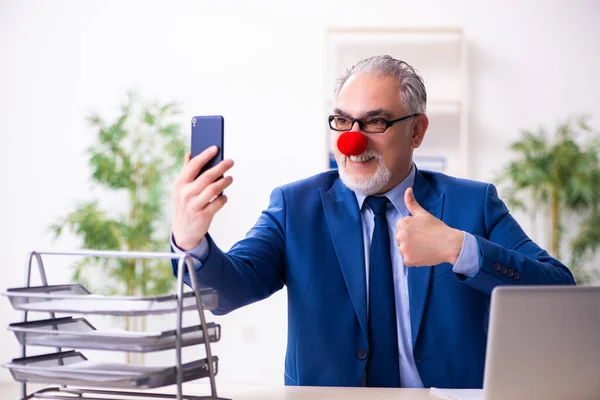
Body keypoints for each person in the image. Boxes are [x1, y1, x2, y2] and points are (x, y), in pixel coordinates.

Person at [170, 55, 575, 389]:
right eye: (343, 121)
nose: (353, 140)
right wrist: (191, 239)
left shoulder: (473, 203)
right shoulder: (296, 205)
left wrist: (459, 248)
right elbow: (226, 293)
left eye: (375, 122)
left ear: (416, 130)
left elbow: (559, 295)